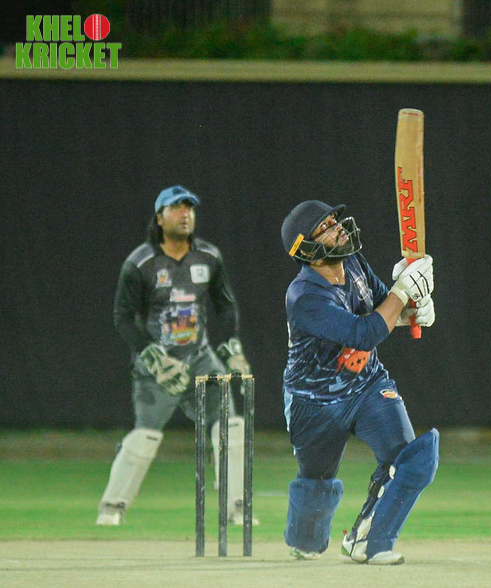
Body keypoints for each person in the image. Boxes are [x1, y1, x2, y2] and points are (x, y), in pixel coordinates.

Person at [280, 200, 438, 565]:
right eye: (326, 227)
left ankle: (368, 541)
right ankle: (306, 538)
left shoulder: (354, 263)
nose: (338, 228)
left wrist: (413, 310)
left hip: (366, 384)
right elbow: (363, 333)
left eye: (335, 221)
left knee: (409, 459)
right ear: (307, 248)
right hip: (314, 401)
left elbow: (382, 310)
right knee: (316, 481)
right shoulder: (304, 295)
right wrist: (402, 291)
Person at [96, 185, 254, 526]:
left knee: (231, 427)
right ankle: (111, 507)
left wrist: (231, 346)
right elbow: (123, 318)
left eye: (190, 208)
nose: (185, 214)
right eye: (176, 208)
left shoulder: (208, 256)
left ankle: (237, 506)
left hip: (200, 359)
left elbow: (225, 306)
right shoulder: (140, 262)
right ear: (159, 218)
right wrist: (152, 355)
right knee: (145, 437)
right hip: (158, 366)